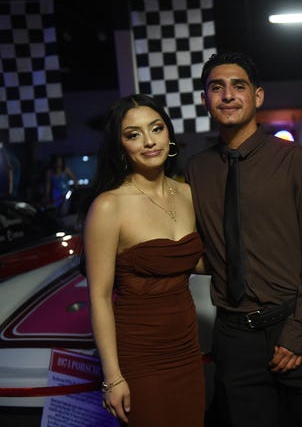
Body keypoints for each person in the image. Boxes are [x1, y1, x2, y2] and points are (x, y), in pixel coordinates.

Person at [185, 52, 302, 427]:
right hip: (234, 336)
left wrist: (298, 332)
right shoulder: (196, 168)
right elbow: (198, 245)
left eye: (238, 86)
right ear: (205, 100)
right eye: (216, 87)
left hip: (296, 325)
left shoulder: (295, 159)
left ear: (257, 97)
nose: (227, 95)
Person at [82, 94, 204, 426]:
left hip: (187, 349)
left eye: (156, 128)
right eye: (133, 134)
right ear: (120, 146)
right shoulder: (109, 206)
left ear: (169, 134)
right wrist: (113, 377)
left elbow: (192, 261)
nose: (149, 141)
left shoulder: (188, 194)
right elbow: (99, 296)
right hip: (139, 356)